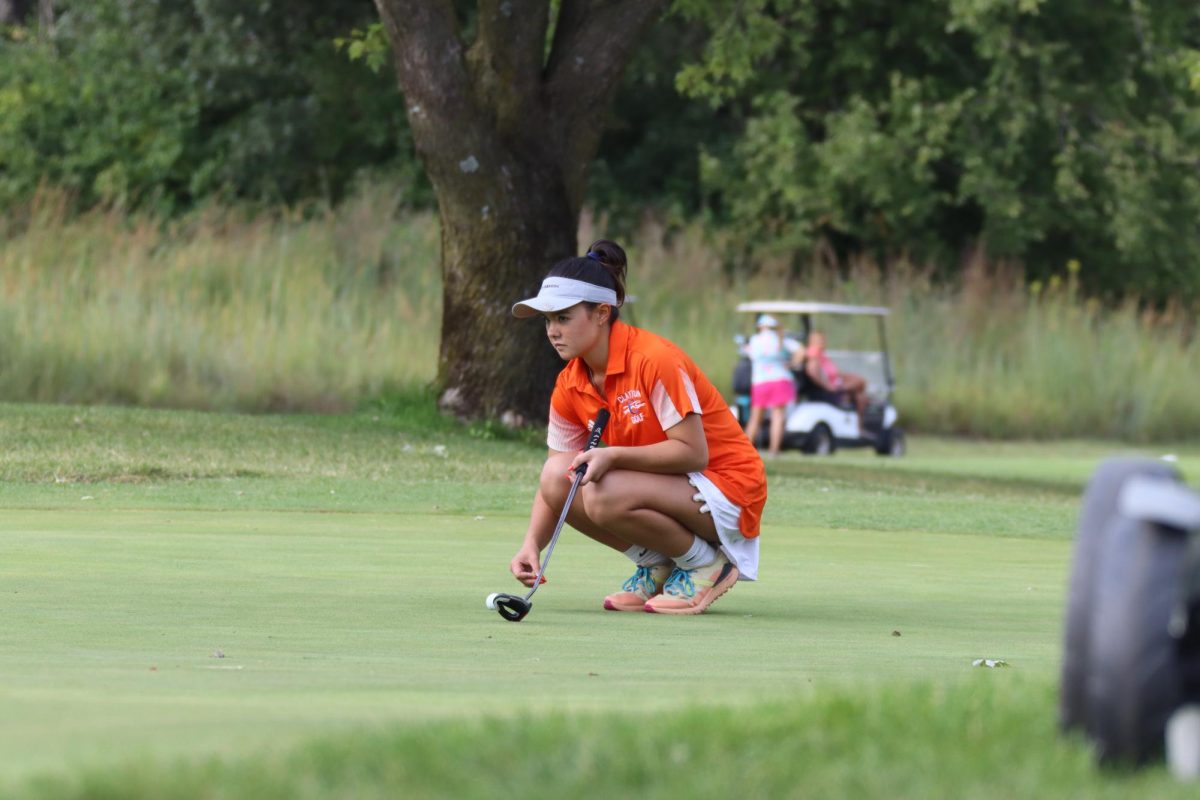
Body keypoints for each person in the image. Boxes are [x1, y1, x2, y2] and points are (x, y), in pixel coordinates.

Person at [508, 240, 767, 615]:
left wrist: (612, 456)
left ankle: (705, 564)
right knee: (556, 477)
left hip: (728, 488)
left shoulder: (653, 359)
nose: (552, 330)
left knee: (601, 493)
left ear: (601, 313)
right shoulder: (569, 382)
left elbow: (694, 452)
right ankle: (657, 563)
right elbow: (559, 481)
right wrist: (532, 543)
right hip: (670, 489)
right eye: (548, 320)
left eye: (563, 318)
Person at [742, 314, 804, 457]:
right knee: (777, 417)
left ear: (761, 326)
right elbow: (801, 351)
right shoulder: (782, 339)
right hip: (780, 380)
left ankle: (744, 451)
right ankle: (774, 451)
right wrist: (792, 363)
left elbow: (748, 353)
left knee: (755, 418)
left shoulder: (754, 340)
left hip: (760, 382)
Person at [805, 330, 868, 428]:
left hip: (835, 384)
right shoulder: (814, 354)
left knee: (859, 394)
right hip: (829, 389)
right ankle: (859, 425)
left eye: (823, 340)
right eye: (820, 340)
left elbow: (834, 373)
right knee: (860, 385)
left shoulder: (821, 355)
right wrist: (828, 387)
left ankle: (858, 424)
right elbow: (812, 372)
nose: (823, 342)